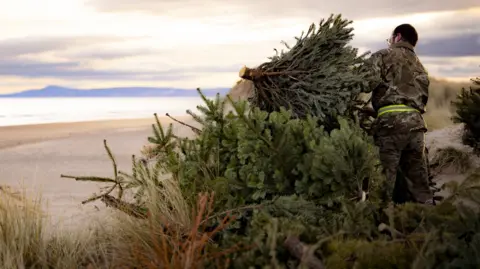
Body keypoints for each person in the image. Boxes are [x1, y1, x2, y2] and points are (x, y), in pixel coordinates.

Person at [361, 24, 434, 205]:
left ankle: (381, 225)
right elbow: (420, 100)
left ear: (398, 37)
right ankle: (429, 222)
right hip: (416, 127)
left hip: (390, 126)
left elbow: (364, 83)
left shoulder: (384, 55)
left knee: (383, 183)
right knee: (418, 185)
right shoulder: (420, 66)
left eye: (391, 38)